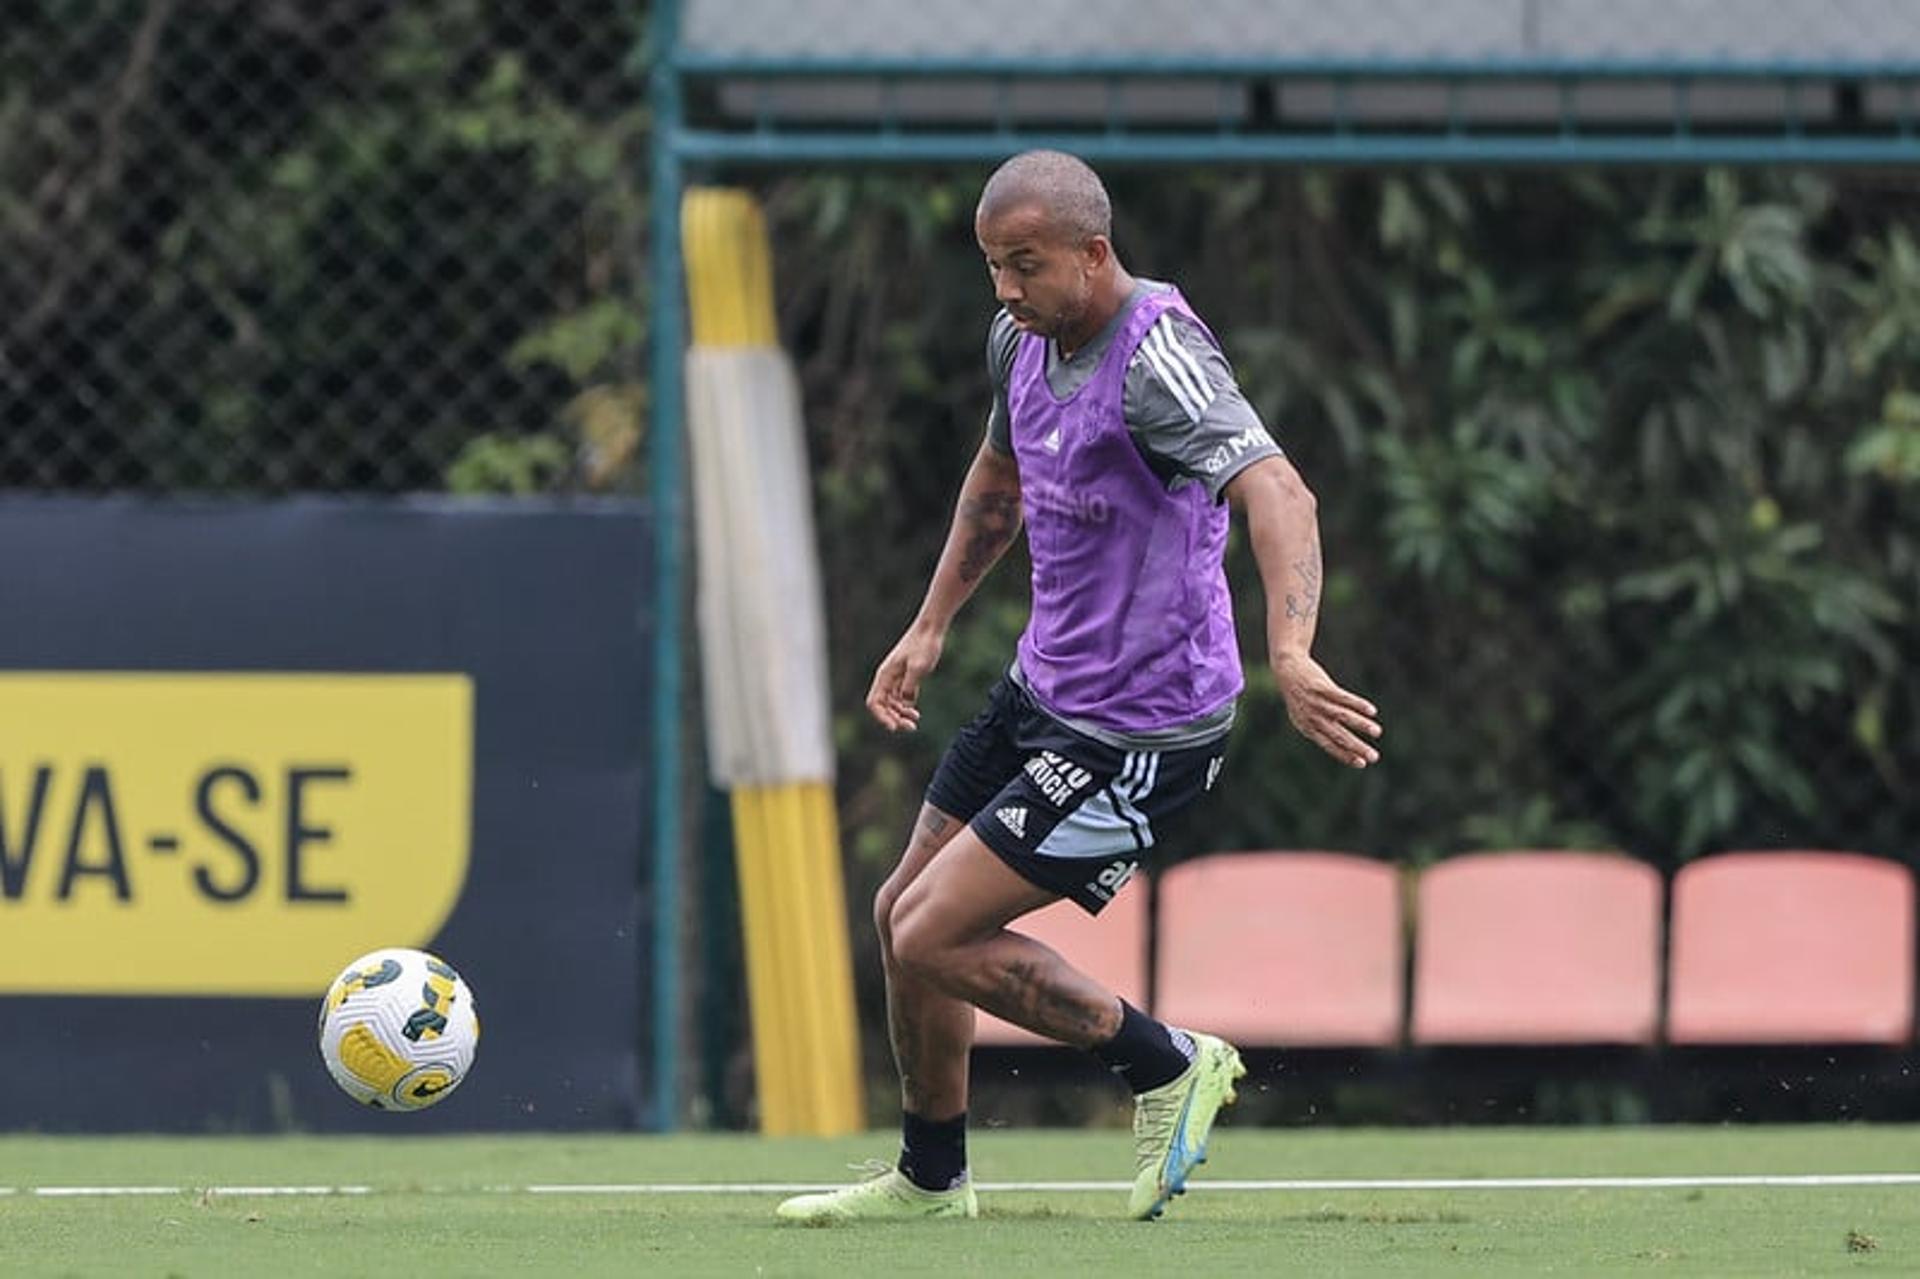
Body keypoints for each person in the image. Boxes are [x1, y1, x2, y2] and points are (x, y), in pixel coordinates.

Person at [777, 150, 1382, 1225]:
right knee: (895, 914)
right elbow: (999, 482)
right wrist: (928, 626)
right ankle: (930, 1177)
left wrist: (1288, 652)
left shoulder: (1160, 356)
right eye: (992, 267)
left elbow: (1280, 488)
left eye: (1025, 264)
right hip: (1042, 690)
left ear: (1093, 254)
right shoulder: (1022, 335)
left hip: (1142, 728)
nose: (1005, 289)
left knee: (932, 934)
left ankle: (1169, 1063)